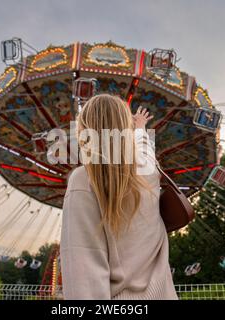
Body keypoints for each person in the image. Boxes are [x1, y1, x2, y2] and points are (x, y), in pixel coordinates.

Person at [60, 94, 178, 300]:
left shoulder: (84, 180)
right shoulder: (148, 170)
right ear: (126, 129)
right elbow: (144, 147)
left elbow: (83, 265)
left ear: (84, 131)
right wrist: (140, 127)